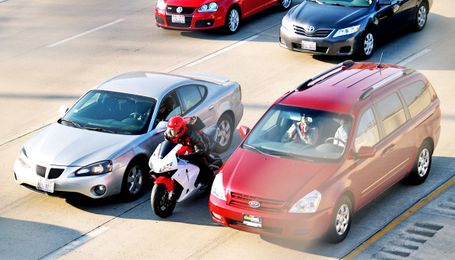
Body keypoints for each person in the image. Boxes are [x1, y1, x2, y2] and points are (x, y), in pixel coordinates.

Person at [164, 115, 213, 187]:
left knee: (201, 160)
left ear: (181, 128)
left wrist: (190, 156)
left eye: (175, 130)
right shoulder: (168, 134)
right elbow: (167, 144)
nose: (173, 132)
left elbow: (200, 148)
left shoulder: (191, 133)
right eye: (171, 130)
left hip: (201, 144)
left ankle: (210, 181)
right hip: (184, 147)